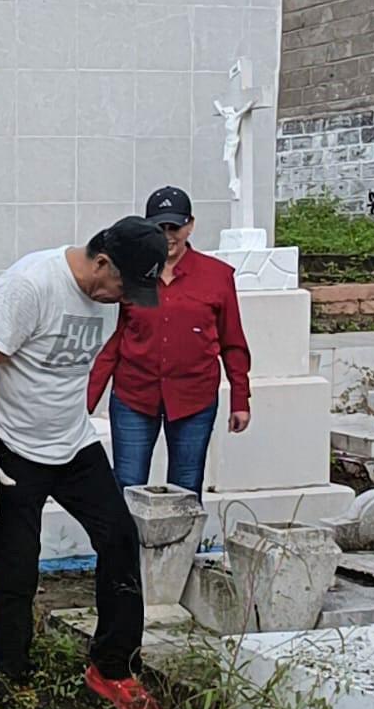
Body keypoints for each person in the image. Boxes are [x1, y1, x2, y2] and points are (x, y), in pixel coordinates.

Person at [0, 216, 168, 709]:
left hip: (71, 442)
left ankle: (111, 667)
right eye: (123, 285)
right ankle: (13, 678)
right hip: (11, 445)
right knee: (17, 569)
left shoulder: (107, 299)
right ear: (101, 263)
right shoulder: (30, 286)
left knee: (119, 538)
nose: (125, 299)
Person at [88, 187, 252, 499]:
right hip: (134, 395)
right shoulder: (129, 274)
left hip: (195, 397)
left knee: (186, 488)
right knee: (126, 482)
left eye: (174, 227)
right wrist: (87, 399)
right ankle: (126, 549)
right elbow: (115, 341)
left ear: (190, 225)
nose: (167, 236)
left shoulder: (217, 276)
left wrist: (240, 399)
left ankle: (181, 550)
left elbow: (233, 342)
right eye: (159, 228)